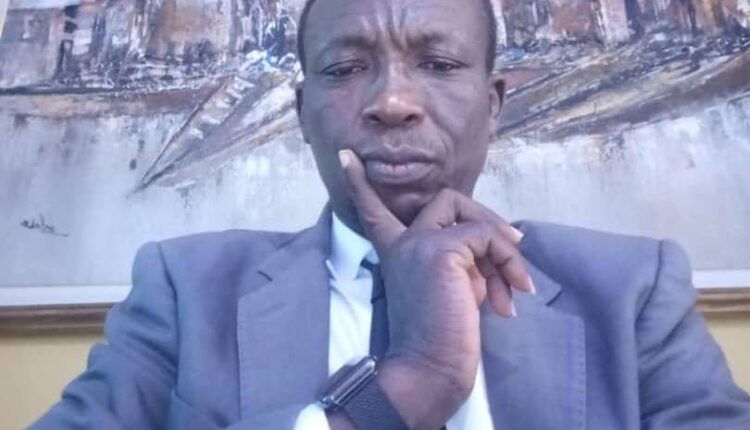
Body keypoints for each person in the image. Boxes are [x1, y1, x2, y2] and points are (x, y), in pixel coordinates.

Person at [31, 0, 750, 428]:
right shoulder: (185, 289)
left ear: (494, 105)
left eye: (438, 64)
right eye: (345, 70)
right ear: (301, 113)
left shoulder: (630, 290)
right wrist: (401, 390)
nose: (393, 103)